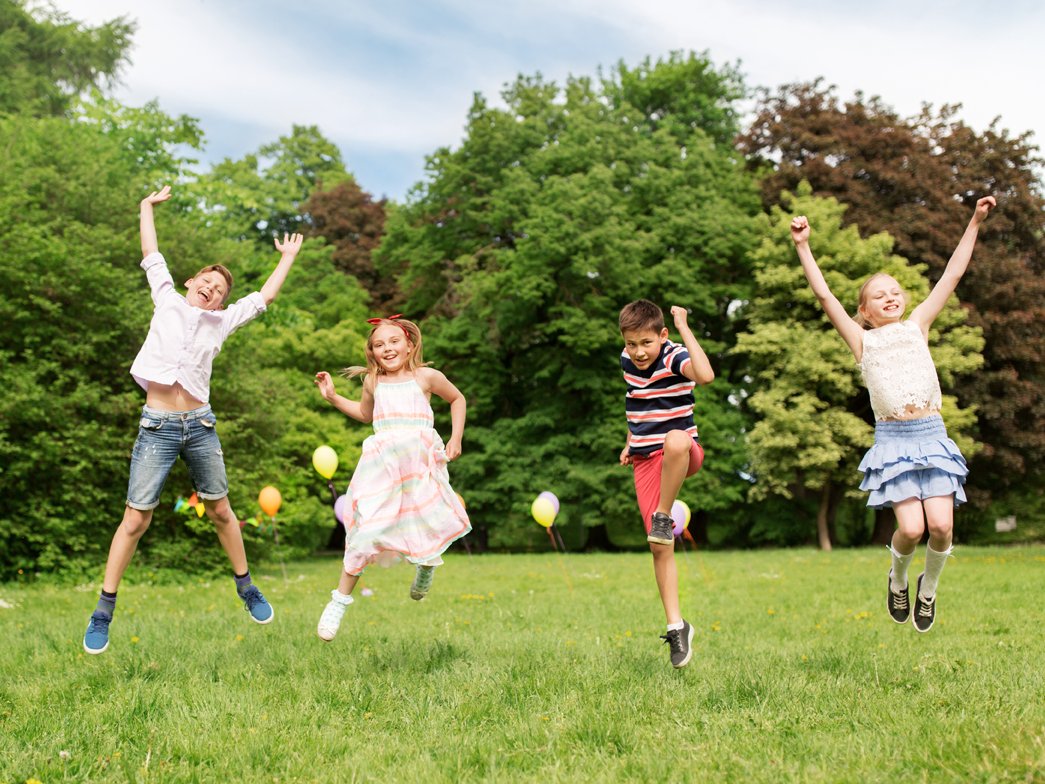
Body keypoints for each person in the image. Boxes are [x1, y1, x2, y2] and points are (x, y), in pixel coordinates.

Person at [82, 185, 303, 654]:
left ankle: (246, 586)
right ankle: (103, 609)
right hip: (158, 425)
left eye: (220, 290)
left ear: (221, 303)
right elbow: (150, 251)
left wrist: (286, 257)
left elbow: (264, 297)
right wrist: (145, 206)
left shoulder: (221, 322)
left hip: (200, 425)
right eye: (207, 280)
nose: (212, 288)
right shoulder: (166, 297)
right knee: (136, 519)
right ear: (190, 282)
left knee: (222, 510)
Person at [791, 196, 996, 633]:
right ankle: (898, 577)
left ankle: (928, 589)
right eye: (878, 295)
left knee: (941, 527)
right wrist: (804, 247)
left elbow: (952, 274)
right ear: (864, 311)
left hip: (933, 435)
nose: (890, 297)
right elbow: (824, 295)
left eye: (895, 292)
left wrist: (975, 222)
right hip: (894, 443)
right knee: (911, 528)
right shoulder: (862, 341)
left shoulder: (918, 325)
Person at [313, 315, 471, 641]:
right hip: (382, 467)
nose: (388, 348)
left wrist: (456, 438)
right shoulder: (373, 382)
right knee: (365, 528)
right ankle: (339, 600)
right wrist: (332, 397)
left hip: (418, 464)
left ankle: (426, 566)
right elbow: (365, 414)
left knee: (427, 521)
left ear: (409, 344)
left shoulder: (426, 377)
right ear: (372, 352)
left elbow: (458, 399)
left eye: (394, 341)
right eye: (379, 344)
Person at [618, 300, 715, 668]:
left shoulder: (674, 355)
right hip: (645, 460)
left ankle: (664, 513)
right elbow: (638, 404)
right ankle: (677, 627)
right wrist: (631, 441)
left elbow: (705, 376)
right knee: (659, 547)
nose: (639, 352)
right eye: (631, 344)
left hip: (681, 454)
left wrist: (684, 328)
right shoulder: (628, 361)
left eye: (646, 343)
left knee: (675, 438)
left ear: (662, 336)